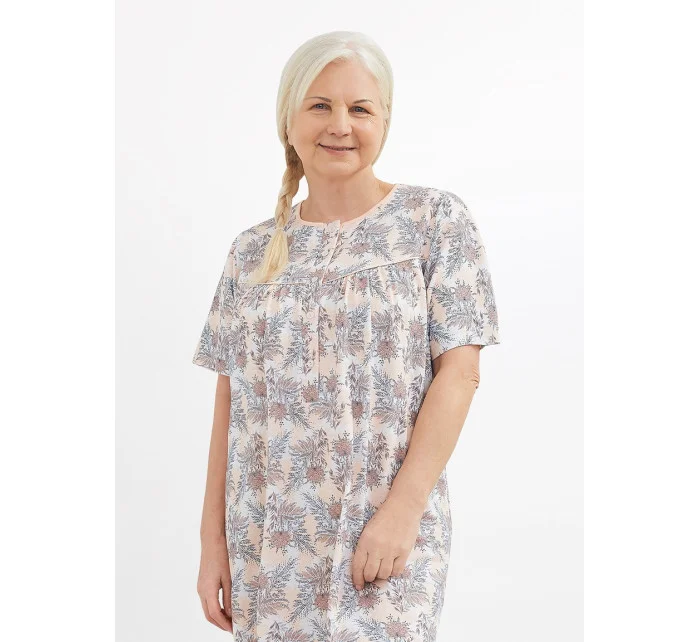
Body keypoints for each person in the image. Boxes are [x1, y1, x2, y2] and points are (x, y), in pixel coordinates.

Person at [192, 30, 501, 641]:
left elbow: (461, 373)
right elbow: (230, 404)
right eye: (320, 105)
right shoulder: (250, 253)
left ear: (384, 121)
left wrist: (403, 510)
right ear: (289, 121)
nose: (340, 125)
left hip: (385, 536)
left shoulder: (434, 222)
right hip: (268, 543)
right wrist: (212, 544)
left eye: (360, 108)